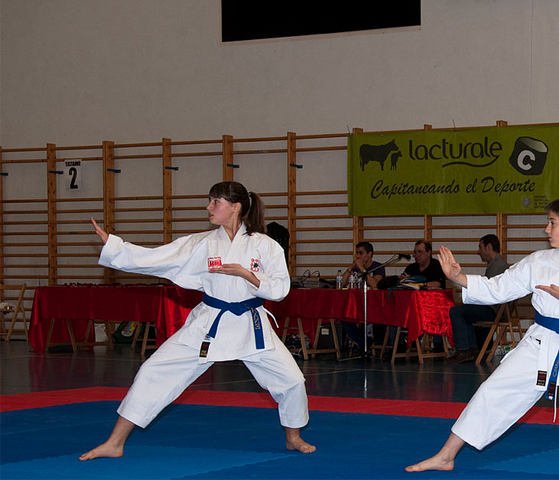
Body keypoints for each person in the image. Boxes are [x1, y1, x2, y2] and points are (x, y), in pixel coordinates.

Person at [406, 195, 559, 476]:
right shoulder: (538, 261)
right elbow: (499, 287)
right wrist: (459, 278)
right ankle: (446, 455)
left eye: (552, 222)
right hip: (543, 340)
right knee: (492, 391)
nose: (546, 228)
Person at [80, 181, 315, 461]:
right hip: (209, 324)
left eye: (215, 202)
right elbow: (156, 259)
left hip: (251, 325)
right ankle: (114, 442)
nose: (208, 207)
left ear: (236, 207)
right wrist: (115, 247)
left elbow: (279, 289)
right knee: (153, 371)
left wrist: (246, 274)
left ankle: (293, 437)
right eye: (210, 201)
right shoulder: (201, 243)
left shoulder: (265, 245)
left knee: (291, 380)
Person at [448, 234, 509, 363]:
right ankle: (471, 348)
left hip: (494, 310)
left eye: (480, 247)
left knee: (457, 311)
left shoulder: (498, 266)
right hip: (496, 308)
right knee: (464, 311)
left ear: (489, 247)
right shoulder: (497, 263)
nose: (478, 251)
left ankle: (464, 350)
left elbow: (489, 293)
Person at [340, 242, 386, 350]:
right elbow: (341, 284)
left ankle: (362, 342)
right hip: (357, 305)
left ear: (369, 254)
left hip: (373, 306)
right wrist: (349, 269)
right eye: (357, 253)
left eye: (361, 253)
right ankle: (364, 341)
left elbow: (375, 284)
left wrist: (362, 268)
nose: (358, 256)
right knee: (343, 317)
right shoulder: (355, 268)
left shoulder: (378, 267)